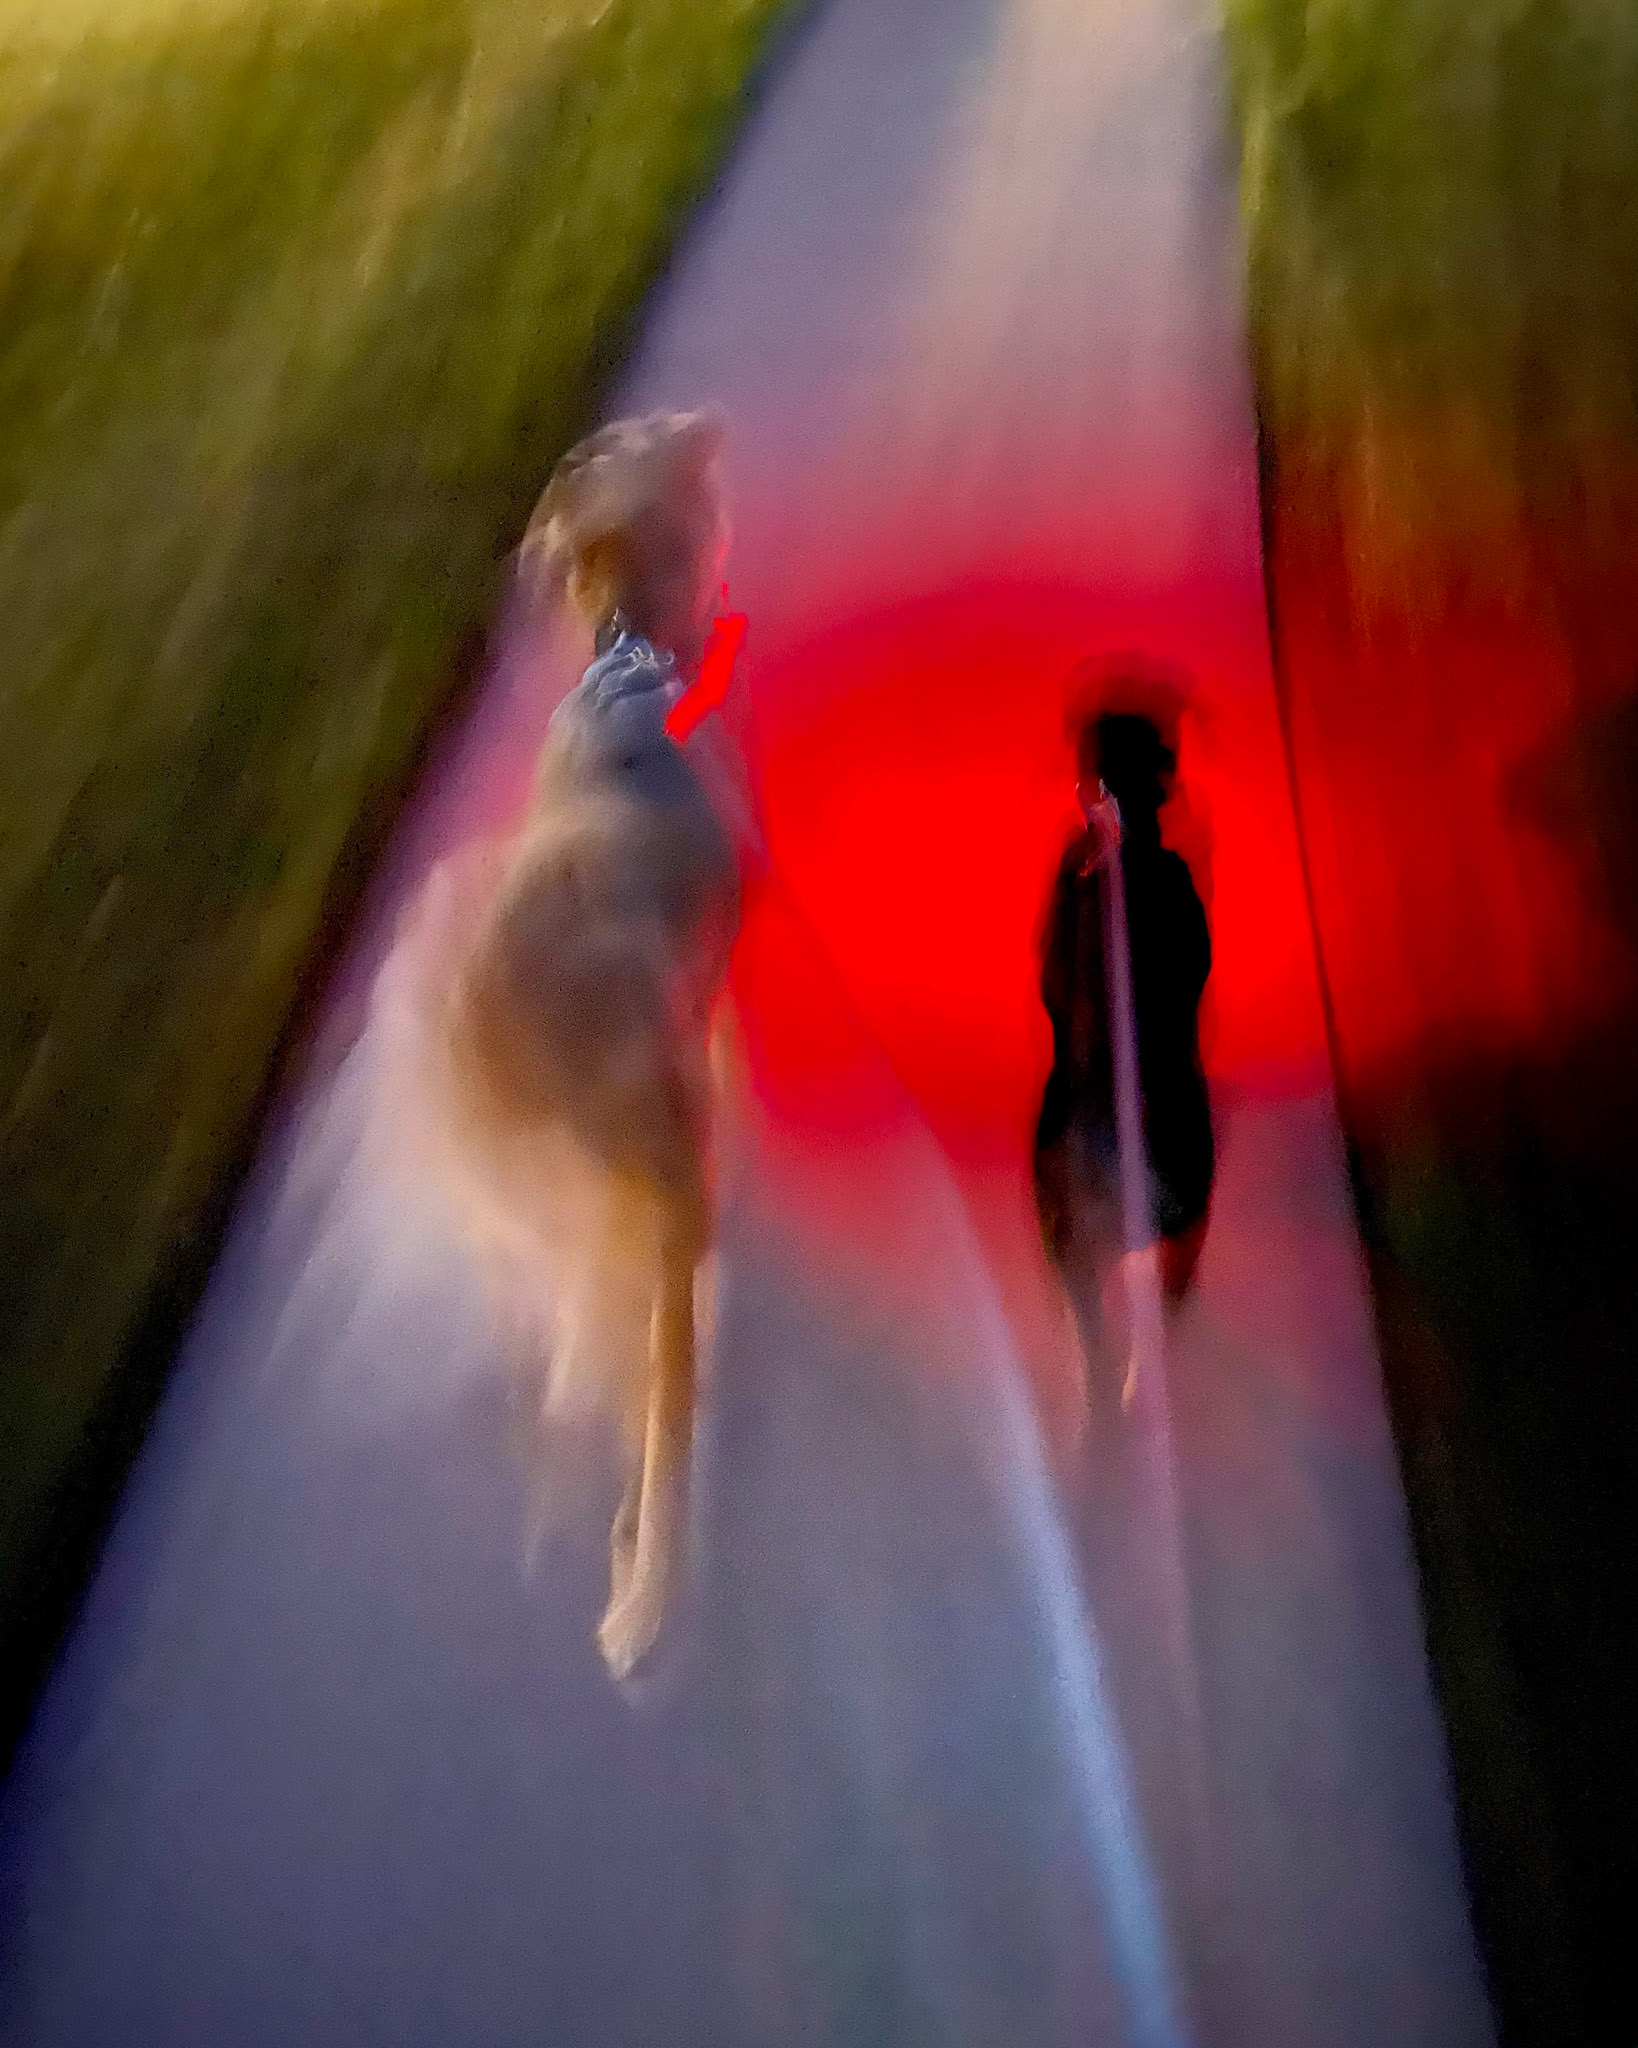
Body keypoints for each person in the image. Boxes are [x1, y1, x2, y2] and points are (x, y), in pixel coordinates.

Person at [1032, 702, 1214, 1359]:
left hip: (1101, 1142)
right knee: (1176, 1185)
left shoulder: (1086, 876)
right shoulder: (1169, 880)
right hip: (1165, 1136)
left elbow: (1057, 987)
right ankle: (1154, 1327)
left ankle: (1098, 1344)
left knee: (1074, 1209)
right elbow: (1190, 978)